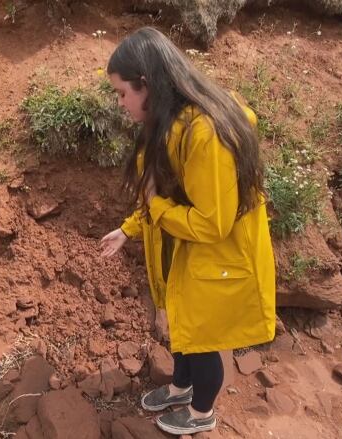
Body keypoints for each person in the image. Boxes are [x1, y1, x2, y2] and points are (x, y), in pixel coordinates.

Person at [99, 27, 276, 435]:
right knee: (183, 328)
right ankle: (180, 387)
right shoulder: (169, 122)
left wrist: (156, 208)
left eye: (123, 93)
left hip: (215, 258)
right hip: (184, 252)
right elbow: (161, 192)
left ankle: (201, 413)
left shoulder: (204, 132)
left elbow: (212, 222)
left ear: (146, 84)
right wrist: (128, 229)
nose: (121, 103)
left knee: (204, 339)